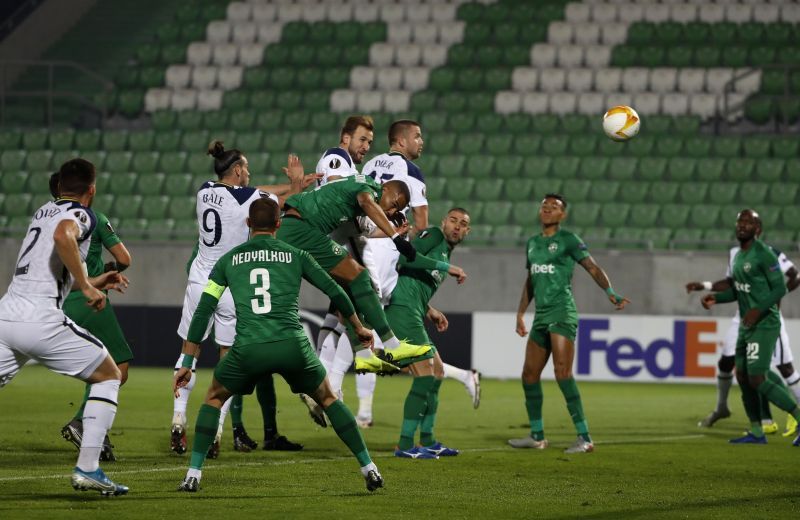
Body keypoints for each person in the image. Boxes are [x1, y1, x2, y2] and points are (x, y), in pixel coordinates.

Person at [173, 198, 383, 492]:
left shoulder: (227, 261)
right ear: (278, 225)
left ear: (248, 224)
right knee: (328, 398)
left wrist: (186, 362)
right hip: (292, 346)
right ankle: (369, 467)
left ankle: (193, 474)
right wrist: (358, 327)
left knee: (213, 398)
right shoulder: (297, 254)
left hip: (248, 348)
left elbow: (204, 310)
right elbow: (335, 288)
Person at [171, 141, 316, 457]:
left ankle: (178, 418)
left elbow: (253, 192)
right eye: (246, 169)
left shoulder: (204, 190)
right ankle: (216, 431)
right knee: (227, 358)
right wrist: (295, 184)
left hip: (198, 281)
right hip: (227, 284)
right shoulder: (251, 199)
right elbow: (272, 202)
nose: (249, 174)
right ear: (237, 170)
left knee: (188, 352)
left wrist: (287, 185)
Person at [0, 158, 130, 495]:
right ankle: (88, 468)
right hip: (40, 320)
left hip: (6, 317)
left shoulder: (42, 212)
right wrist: (89, 288)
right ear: (92, 189)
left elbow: (56, 272)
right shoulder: (81, 215)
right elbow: (64, 236)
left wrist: (95, 280)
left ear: (59, 187)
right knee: (110, 375)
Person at [350, 120, 480, 428]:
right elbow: (420, 228)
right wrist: (412, 246)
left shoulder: (369, 164)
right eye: (418, 136)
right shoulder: (412, 177)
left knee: (359, 337)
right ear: (402, 140)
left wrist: (430, 308)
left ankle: (362, 410)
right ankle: (335, 395)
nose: (422, 141)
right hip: (387, 249)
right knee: (369, 345)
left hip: (360, 242)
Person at [276, 173, 434, 374]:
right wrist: (396, 238)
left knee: (349, 289)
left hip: (294, 230)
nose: (393, 209)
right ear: (384, 189)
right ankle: (394, 346)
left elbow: (365, 222)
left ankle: (364, 355)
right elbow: (366, 201)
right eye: (394, 203)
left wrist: (389, 220)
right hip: (302, 230)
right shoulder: (368, 189)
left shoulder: (357, 190)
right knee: (359, 277)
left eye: (397, 209)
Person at [508, 194, 629, 453]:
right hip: (540, 316)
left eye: (554, 207)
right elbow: (531, 280)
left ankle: (585, 438)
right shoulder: (532, 243)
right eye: (544, 206)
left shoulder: (569, 240)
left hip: (562, 313)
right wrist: (520, 313)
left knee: (562, 374)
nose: (548, 209)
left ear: (563, 215)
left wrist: (610, 292)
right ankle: (537, 436)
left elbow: (593, 268)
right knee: (529, 376)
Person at [688, 210, 800, 437]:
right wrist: (714, 296)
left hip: (764, 321)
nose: (742, 225)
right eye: (740, 221)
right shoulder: (737, 256)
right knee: (742, 374)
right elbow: (737, 288)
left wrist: (761, 307)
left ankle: (794, 415)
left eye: (748, 222)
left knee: (770, 373)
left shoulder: (767, 254)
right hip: (745, 323)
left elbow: (784, 284)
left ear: (758, 229)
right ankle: (757, 429)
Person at [50, 173, 133, 463]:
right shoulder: (92, 217)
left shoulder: (45, 219)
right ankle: (83, 423)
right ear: (88, 190)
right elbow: (125, 259)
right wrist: (105, 272)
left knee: (100, 363)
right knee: (118, 367)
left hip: (54, 301)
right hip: (88, 297)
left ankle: (93, 427)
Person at [301, 114, 374, 428]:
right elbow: (333, 194)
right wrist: (366, 220)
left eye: (370, 142)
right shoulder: (336, 157)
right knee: (358, 310)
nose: (366, 147)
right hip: (327, 247)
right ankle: (327, 386)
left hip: (334, 246)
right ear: (346, 137)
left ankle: (323, 384)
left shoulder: (351, 166)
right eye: (362, 140)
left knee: (339, 313)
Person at [388, 208, 470, 459]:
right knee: (425, 375)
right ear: (444, 222)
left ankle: (428, 440)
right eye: (453, 220)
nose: (457, 226)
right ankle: (404, 444)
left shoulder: (444, 248)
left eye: (463, 224)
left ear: (468, 231)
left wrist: (430, 310)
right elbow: (404, 260)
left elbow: (414, 283)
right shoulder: (433, 235)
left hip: (414, 310)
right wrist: (447, 266)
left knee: (437, 372)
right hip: (400, 310)